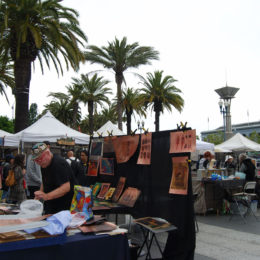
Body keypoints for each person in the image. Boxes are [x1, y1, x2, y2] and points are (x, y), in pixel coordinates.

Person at [32, 143, 75, 214]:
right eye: (36, 160)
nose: (38, 162)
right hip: (52, 205)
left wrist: (46, 196)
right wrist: (40, 193)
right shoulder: (44, 164)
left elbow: (66, 187)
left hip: (63, 207)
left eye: (40, 159)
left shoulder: (59, 163)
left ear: (48, 153)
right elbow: (44, 180)